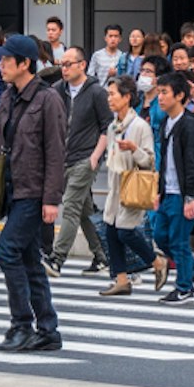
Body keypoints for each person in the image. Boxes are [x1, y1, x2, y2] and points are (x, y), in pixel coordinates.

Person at [0, 34, 67, 353]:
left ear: (24, 63)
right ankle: (48, 329)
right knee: (29, 261)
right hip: (10, 188)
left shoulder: (48, 99)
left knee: (7, 251)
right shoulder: (8, 96)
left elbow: (56, 153)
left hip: (34, 192)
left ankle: (21, 323)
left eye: (6, 61)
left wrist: (52, 199)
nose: (0, 66)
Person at [47, 46, 112, 277]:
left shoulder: (97, 92)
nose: (63, 69)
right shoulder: (56, 91)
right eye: (61, 65)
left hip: (86, 158)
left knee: (71, 205)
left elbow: (107, 126)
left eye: (68, 64)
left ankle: (57, 258)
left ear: (82, 65)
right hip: (62, 158)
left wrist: (95, 157)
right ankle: (103, 255)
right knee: (84, 210)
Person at [152, 71, 194, 304]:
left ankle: (184, 286)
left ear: (179, 96)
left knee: (178, 240)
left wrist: (191, 197)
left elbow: (193, 163)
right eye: (159, 93)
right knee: (161, 236)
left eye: (164, 93)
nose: (160, 98)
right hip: (168, 190)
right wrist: (159, 190)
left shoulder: (188, 123)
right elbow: (165, 161)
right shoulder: (167, 122)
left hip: (183, 192)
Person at [98, 76, 158, 297]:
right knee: (111, 230)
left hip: (132, 183)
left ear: (127, 97)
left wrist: (134, 149)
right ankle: (121, 280)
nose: (109, 99)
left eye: (113, 94)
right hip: (116, 183)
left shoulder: (140, 126)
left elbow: (150, 160)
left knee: (125, 231)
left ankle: (156, 260)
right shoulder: (114, 125)